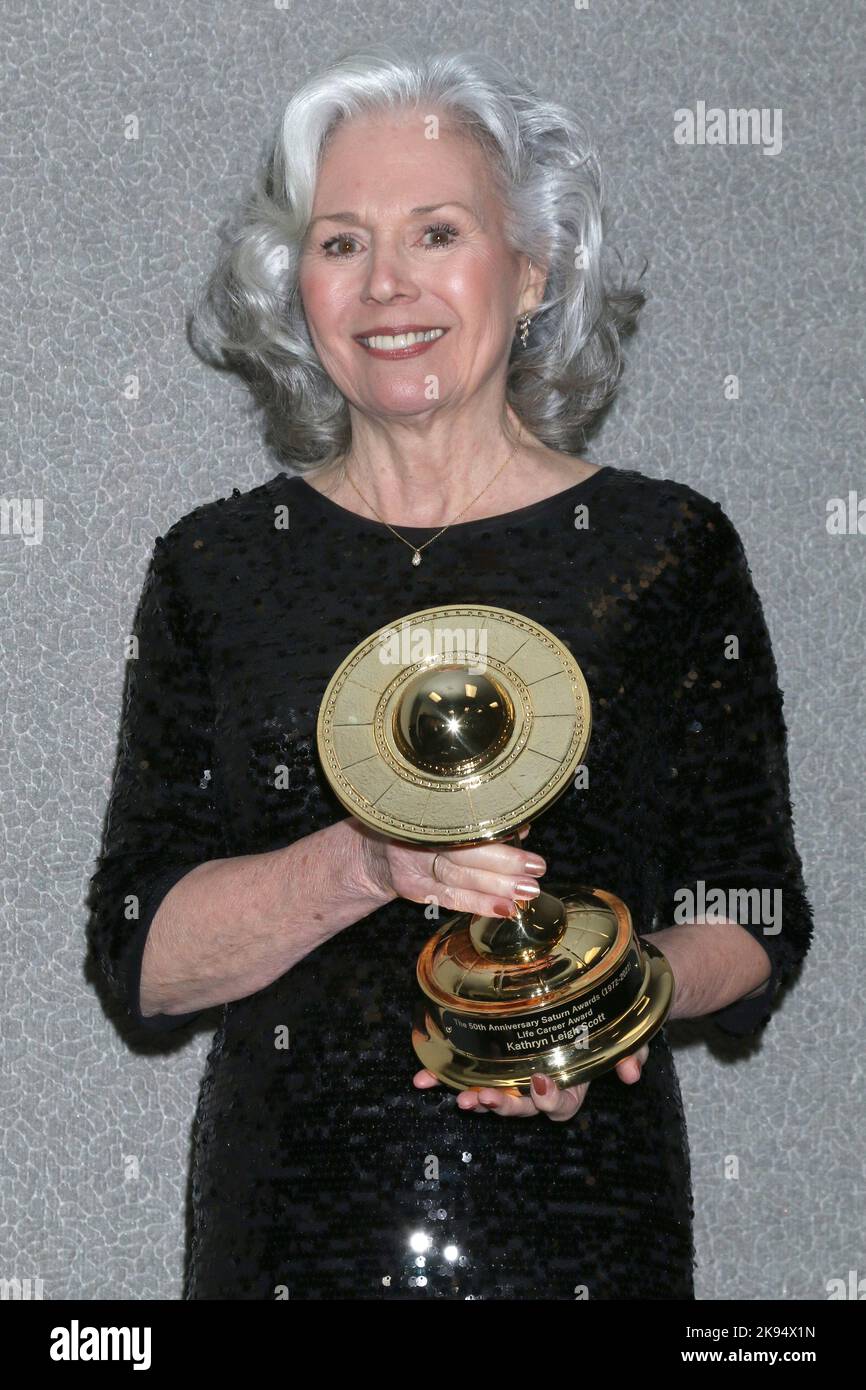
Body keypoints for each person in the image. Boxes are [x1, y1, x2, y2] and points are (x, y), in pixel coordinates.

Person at [87, 44, 814, 1300]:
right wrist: (363, 862)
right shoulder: (215, 566)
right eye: (339, 243)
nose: (385, 286)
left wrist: (602, 1013)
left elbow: (752, 910)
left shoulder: (664, 551)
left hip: (584, 1227)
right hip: (286, 1238)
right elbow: (140, 951)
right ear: (292, 286)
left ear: (528, 269)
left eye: (436, 232)